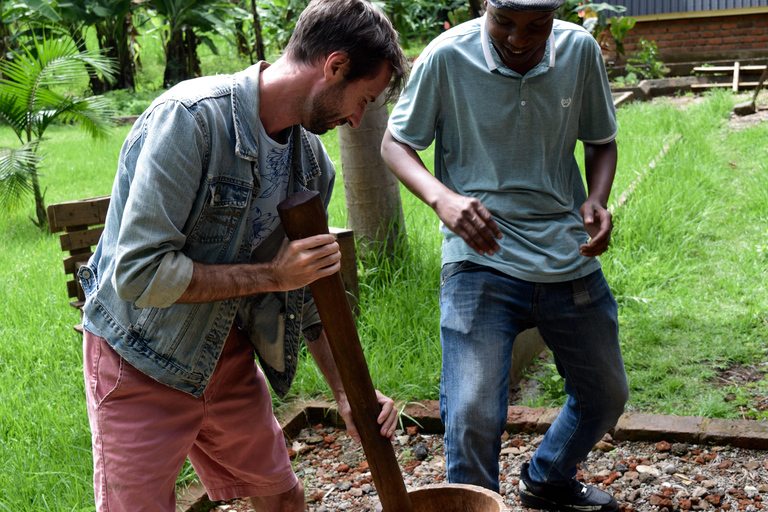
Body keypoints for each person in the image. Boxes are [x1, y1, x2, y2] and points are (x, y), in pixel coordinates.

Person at [77, 1, 408, 510]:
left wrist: (345, 394)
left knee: (282, 500)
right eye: (362, 99)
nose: (357, 119)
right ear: (335, 66)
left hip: (223, 356)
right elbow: (139, 273)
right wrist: (272, 275)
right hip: (139, 359)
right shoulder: (190, 121)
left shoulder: (311, 165)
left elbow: (310, 293)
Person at [381, 0, 629, 510]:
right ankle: (476, 503)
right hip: (480, 253)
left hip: (565, 251)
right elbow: (395, 143)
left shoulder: (579, 50)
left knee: (605, 393)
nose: (518, 38)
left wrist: (596, 200)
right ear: (485, 7)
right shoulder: (446, 56)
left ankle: (549, 478)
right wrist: (442, 198)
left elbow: (601, 141)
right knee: (472, 410)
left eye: (536, 26)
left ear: (555, 16)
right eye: (505, 23)